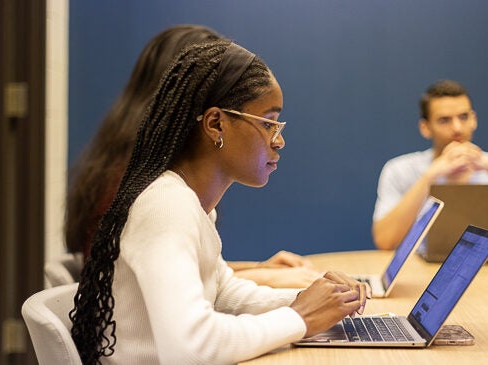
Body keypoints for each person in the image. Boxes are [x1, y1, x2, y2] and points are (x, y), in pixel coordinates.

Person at [69, 40, 371, 364]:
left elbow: (224, 293)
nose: (279, 141)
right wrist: (301, 318)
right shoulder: (166, 207)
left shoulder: (189, 203)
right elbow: (192, 347)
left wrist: (310, 301)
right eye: (269, 123)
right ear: (216, 124)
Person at [65, 24, 320, 288]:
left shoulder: (141, 165)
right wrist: (279, 293)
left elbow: (184, 268)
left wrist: (258, 270)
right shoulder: (149, 189)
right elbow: (159, 289)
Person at [372, 79, 488, 250]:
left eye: (464, 117)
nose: (457, 128)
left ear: (474, 119)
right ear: (425, 127)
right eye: (444, 120)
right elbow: (385, 241)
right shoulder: (400, 170)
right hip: (418, 271)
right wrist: (429, 177)